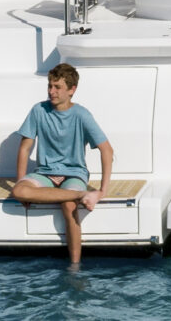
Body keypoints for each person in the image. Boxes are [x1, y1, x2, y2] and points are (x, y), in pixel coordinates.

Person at [8, 62, 114, 266]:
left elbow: (107, 150)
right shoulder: (38, 110)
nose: (51, 91)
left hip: (74, 173)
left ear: (72, 90)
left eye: (57, 87)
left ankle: (74, 266)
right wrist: (21, 182)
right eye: (50, 86)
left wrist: (102, 191)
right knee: (19, 190)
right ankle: (81, 195)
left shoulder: (81, 114)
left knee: (68, 205)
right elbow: (24, 149)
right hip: (45, 173)